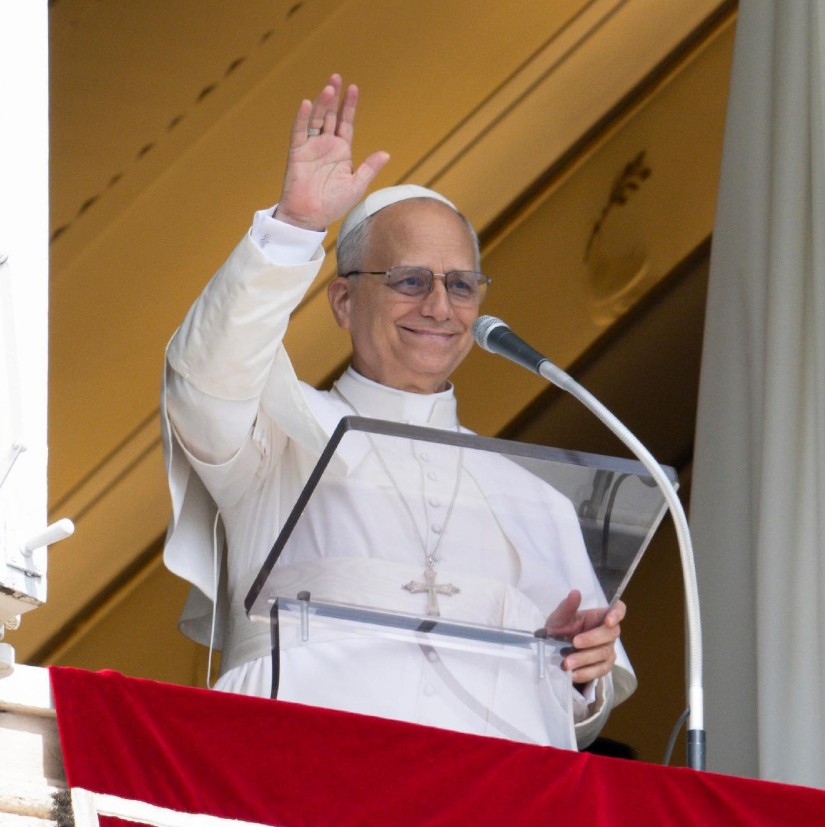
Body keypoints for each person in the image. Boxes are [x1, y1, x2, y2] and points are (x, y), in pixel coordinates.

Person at [162, 74, 635, 749]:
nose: (439, 307)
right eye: (410, 280)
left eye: (461, 285)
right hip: (302, 776)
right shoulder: (277, 437)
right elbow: (206, 376)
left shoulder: (534, 500)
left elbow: (579, 704)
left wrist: (577, 668)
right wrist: (295, 226)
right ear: (344, 302)